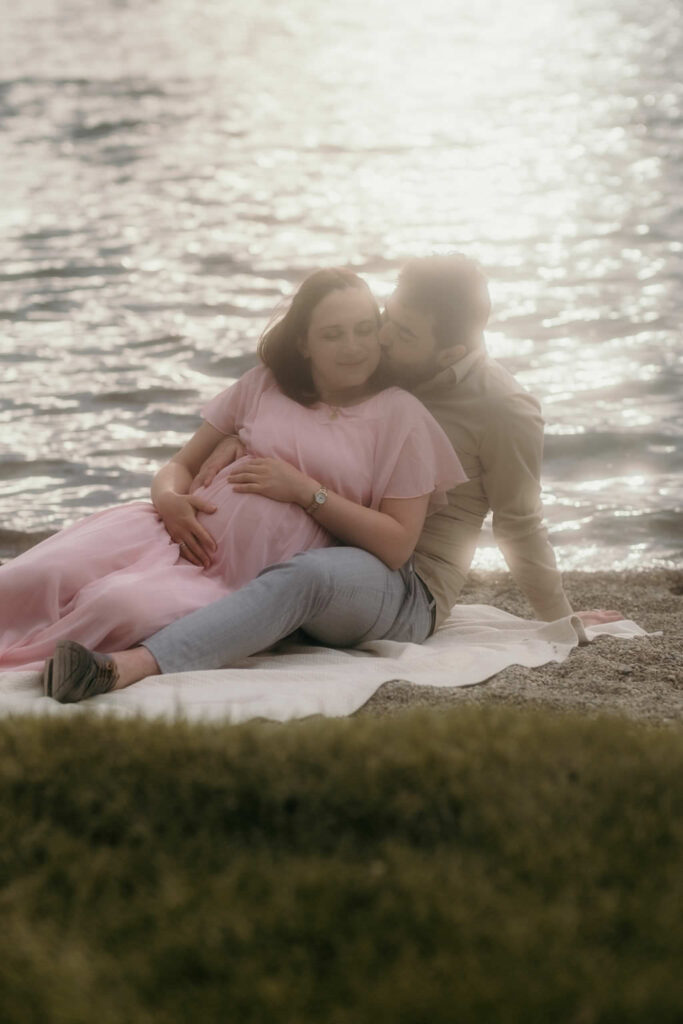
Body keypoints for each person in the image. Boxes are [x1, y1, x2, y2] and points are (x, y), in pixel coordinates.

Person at [42, 253, 621, 701]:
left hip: (405, 582)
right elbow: (317, 404)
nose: (381, 339)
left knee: (308, 578)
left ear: (449, 353)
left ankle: (124, 669)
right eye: (387, 318)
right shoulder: (388, 357)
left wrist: (559, 621)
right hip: (324, 537)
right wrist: (239, 440)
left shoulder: (505, 410)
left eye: (402, 333)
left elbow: (521, 525)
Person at [0, 268, 466, 697]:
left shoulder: (400, 414)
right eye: (333, 334)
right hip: (163, 529)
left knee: (117, 606)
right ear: (303, 342)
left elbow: (396, 545)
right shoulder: (264, 384)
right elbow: (178, 466)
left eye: (364, 329)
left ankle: (70, 669)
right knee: (35, 575)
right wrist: (170, 501)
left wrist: (305, 491)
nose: (354, 346)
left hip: (235, 575)